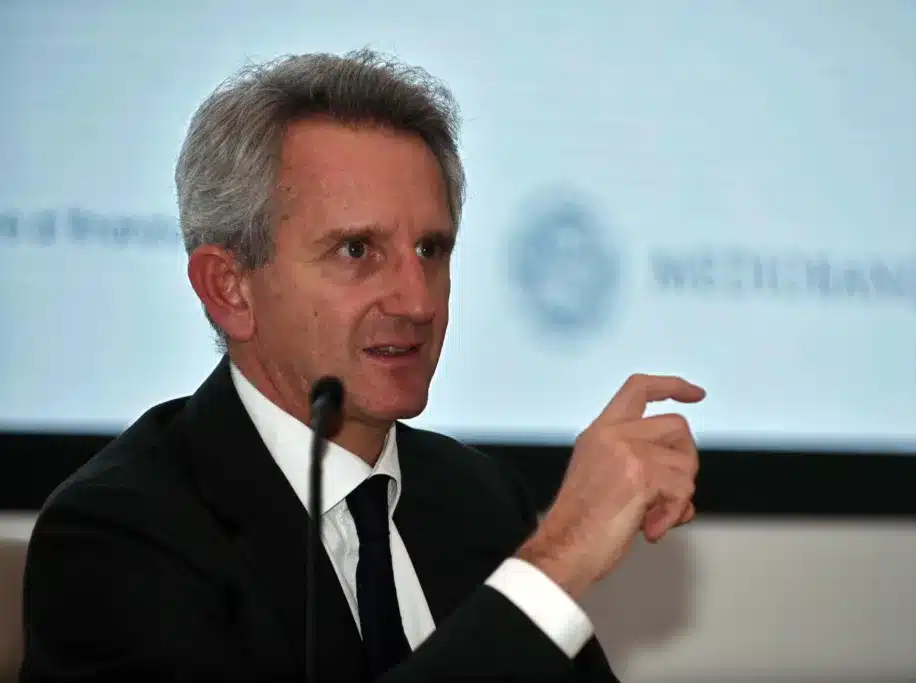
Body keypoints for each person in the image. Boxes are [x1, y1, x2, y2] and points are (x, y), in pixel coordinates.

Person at [19, 50, 704, 682]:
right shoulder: (117, 534)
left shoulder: (479, 497)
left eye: (431, 250)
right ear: (230, 289)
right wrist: (560, 557)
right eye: (356, 251)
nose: (417, 301)